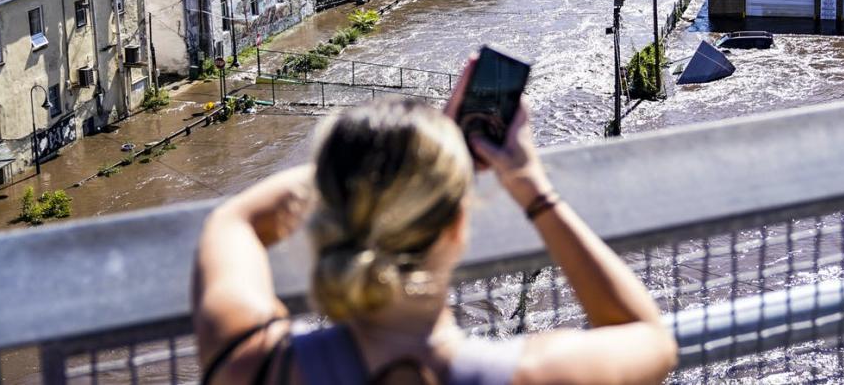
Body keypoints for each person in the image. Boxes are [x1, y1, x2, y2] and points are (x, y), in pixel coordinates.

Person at [193, 58, 677, 385]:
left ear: (327, 215)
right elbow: (649, 336)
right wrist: (529, 186)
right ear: (457, 228)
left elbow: (235, 222)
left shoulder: (255, 366)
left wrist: (379, 163)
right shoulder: (530, 374)